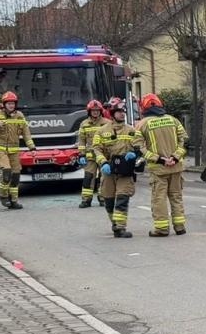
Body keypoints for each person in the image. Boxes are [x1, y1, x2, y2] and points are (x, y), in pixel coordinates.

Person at [137, 93, 188, 237]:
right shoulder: (174, 120)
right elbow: (184, 143)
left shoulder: (142, 124)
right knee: (176, 196)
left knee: (159, 198)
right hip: (176, 167)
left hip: (158, 169)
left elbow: (139, 148)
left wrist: (160, 159)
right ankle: (180, 227)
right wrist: (174, 158)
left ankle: (162, 228)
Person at [92, 98, 141, 238]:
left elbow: (139, 146)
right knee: (108, 200)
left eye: (123, 112)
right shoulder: (101, 131)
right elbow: (96, 149)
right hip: (109, 170)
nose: (122, 114)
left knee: (122, 198)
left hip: (125, 171)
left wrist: (135, 153)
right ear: (112, 113)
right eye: (119, 112)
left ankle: (120, 227)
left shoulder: (131, 130)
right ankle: (115, 223)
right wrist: (103, 163)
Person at [0, 91, 35, 209]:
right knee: (6, 171)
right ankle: (3, 196)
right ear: (4, 104)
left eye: (13, 103)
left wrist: (32, 147)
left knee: (16, 175)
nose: (11, 105)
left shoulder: (19, 116)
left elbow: (26, 133)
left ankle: (14, 201)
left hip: (14, 150)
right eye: (9, 103)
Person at [77, 99, 107, 209]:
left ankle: (103, 198)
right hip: (90, 157)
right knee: (88, 177)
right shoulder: (84, 124)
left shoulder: (107, 123)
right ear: (89, 111)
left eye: (97, 110)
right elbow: (81, 140)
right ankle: (86, 200)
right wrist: (81, 154)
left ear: (100, 111)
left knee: (104, 177)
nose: (95, 112)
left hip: (104, 156)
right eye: (93, 110)